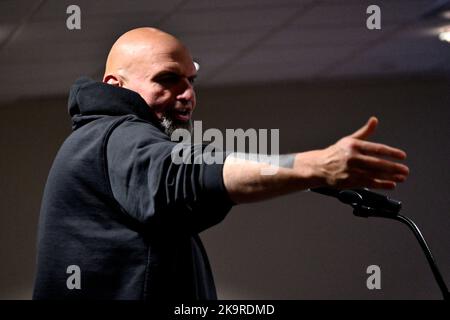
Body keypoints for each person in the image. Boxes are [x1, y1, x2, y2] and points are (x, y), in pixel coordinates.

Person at [33, 27, 409, 300]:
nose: (187, 95)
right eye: (167, 79)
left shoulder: (96, 141)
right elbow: (185, 176)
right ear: (116, 86)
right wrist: (315, 166)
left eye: (191, 81)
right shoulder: (115, 135)